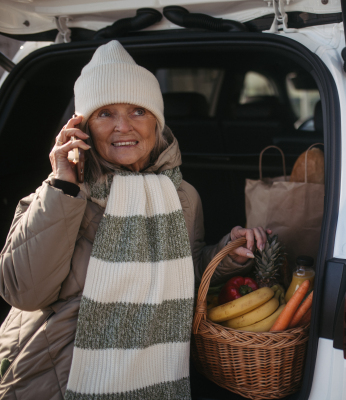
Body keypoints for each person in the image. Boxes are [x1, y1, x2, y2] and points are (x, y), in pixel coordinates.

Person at [0, 40, 268, 399]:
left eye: (138, 112)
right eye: (105, 113)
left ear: (157, 121)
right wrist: (63, 186)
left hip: (154, 371)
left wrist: (226, 255)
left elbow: (179, 274)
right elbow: (25, 293)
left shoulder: (182, 196)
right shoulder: (61, 193)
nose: (123, 127)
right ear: (82, 126)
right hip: (58, 376)